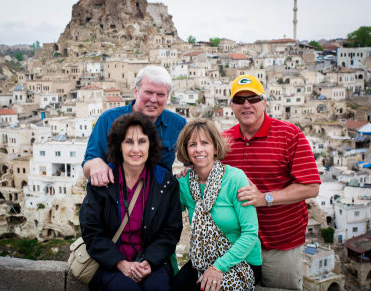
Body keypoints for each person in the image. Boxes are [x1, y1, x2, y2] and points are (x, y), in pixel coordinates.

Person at [222, 74, 321, 290]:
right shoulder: (224, 141)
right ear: (231, 105)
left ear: (264, 102)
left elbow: (311, 187)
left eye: (253, 99)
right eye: (239, 100)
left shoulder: (289, 135)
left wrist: (265, 198)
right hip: (239, 247)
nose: (246, 105)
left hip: (280, 246)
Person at [80, 112, 183, 291]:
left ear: (150, 145)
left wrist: (149, 262)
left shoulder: (165, 182)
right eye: (129, 142)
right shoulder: (102, 181)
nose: (136, 149)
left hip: (151, 263)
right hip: (109, 264)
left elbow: (170, 231)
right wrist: (120, 263)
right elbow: (91, 232)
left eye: (142, 141)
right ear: (118, 145)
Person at [172, 119, 262, 291]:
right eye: (192, 144)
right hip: (203, 259)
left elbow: (250, 233)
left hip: (242, 261)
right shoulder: (184, 184)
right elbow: (168, 216)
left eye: (205, 143)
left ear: (215, 147)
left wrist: (218, 267)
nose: (198, 149)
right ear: (186, 150)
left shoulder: (235, 179)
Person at [82, 65, 187, 186]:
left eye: (160, 95)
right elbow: (87, 167)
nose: (153, 99)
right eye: (148, 92)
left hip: (159, 200)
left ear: (167, 97)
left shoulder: (178, 124)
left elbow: (191, 163)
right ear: (136, 92)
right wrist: (95, 163)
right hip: (116, 199)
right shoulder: (108, 120)